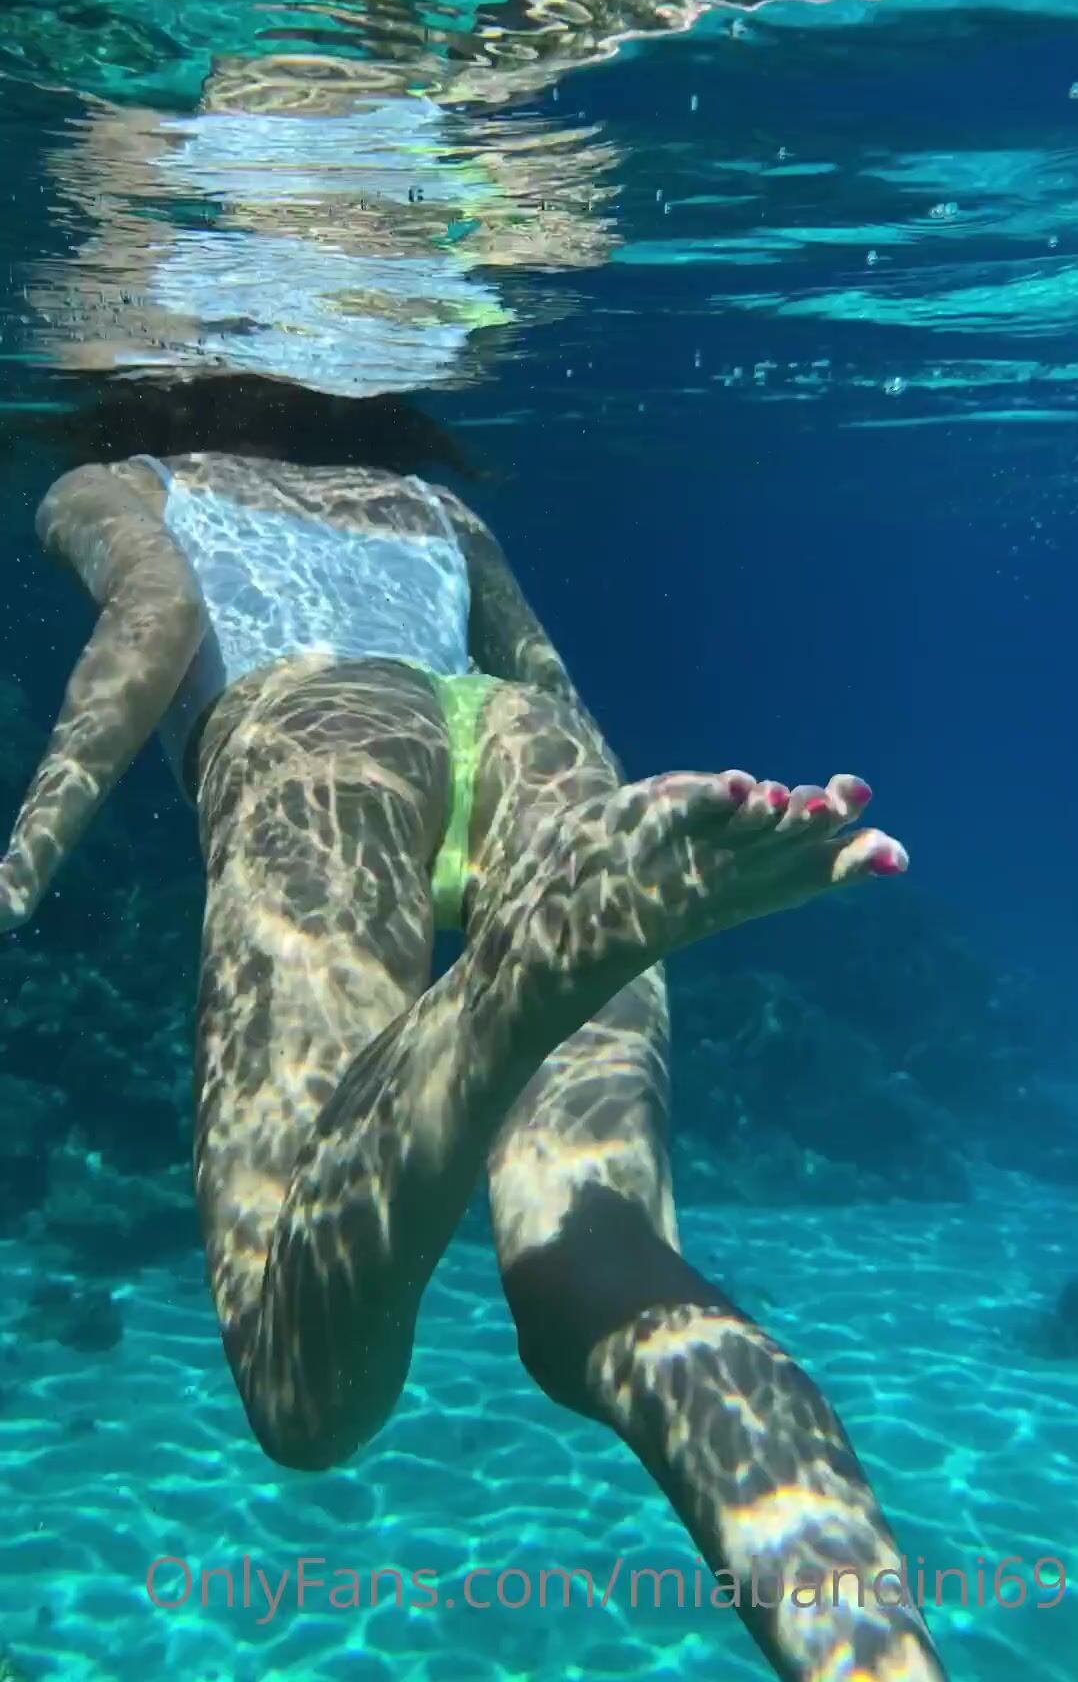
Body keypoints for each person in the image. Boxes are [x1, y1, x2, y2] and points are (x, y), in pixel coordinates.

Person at [0, 373, 946, 1682]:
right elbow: (543, 683)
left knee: (306, 1388)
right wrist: (614, 830)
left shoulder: (120, 484)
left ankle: (520, 972)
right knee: (603, 1277)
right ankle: (877, 1658)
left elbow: (155, 620)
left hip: (315, 730)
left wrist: (24, 863)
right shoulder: (433, 504)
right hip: (536, 753)